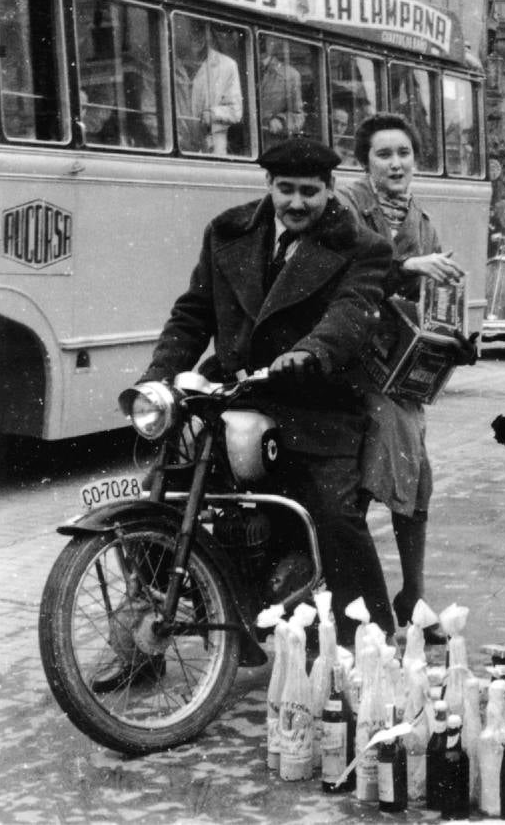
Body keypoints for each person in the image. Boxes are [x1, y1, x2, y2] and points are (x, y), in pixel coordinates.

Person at [138, 137, 396, 648]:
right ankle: (143, 643)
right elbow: (194, 313)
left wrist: (310, 352)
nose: (296, 203)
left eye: (309, 191)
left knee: (333, 515)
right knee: (157, 497)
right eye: (285, 190)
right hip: (235, 395)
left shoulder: (362, 245)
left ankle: (369, 646)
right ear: (268, 186)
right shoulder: (228, 230)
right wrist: (159, 377)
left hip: (316, 402)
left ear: (330, 189)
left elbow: (352, 312)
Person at [340, 113, 464, 627]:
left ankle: (412, 593)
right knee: (378, 474)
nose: (396, 163)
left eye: (404, 153)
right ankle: (372, 594)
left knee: (415, 474)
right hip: (349, 363)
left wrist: (445, 325)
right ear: (365, 161)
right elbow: (345, 266)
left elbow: (424, 304)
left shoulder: (422, 220)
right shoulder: (346, 205)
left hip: (397, 370)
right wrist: (409, 267)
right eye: (383, 154)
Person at [187, 21, 242, 155]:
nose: (196, 36)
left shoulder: (227, 65)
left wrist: (213, 114)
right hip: (182, 144)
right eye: (192, 30)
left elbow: (235, 111)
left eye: (201, 30)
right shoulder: (171, 60)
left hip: (213, 148)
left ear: (209, 33)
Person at [259, 40, 305, 146]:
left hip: (270, 144)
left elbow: (298, 116)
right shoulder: (238, 66)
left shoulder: (290, 75)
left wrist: (280, 120)